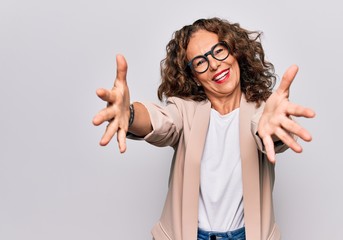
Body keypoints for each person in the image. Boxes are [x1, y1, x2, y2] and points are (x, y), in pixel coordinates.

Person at [92, 17, 315, 240]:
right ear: (195, 78)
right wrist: (129, 114)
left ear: (235, 52)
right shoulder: (184, 110)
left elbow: (267, 129)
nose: (214, 64)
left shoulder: (263, 110)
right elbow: (160, 121)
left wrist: (273, 129)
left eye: (219, 51)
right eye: (200, 62)